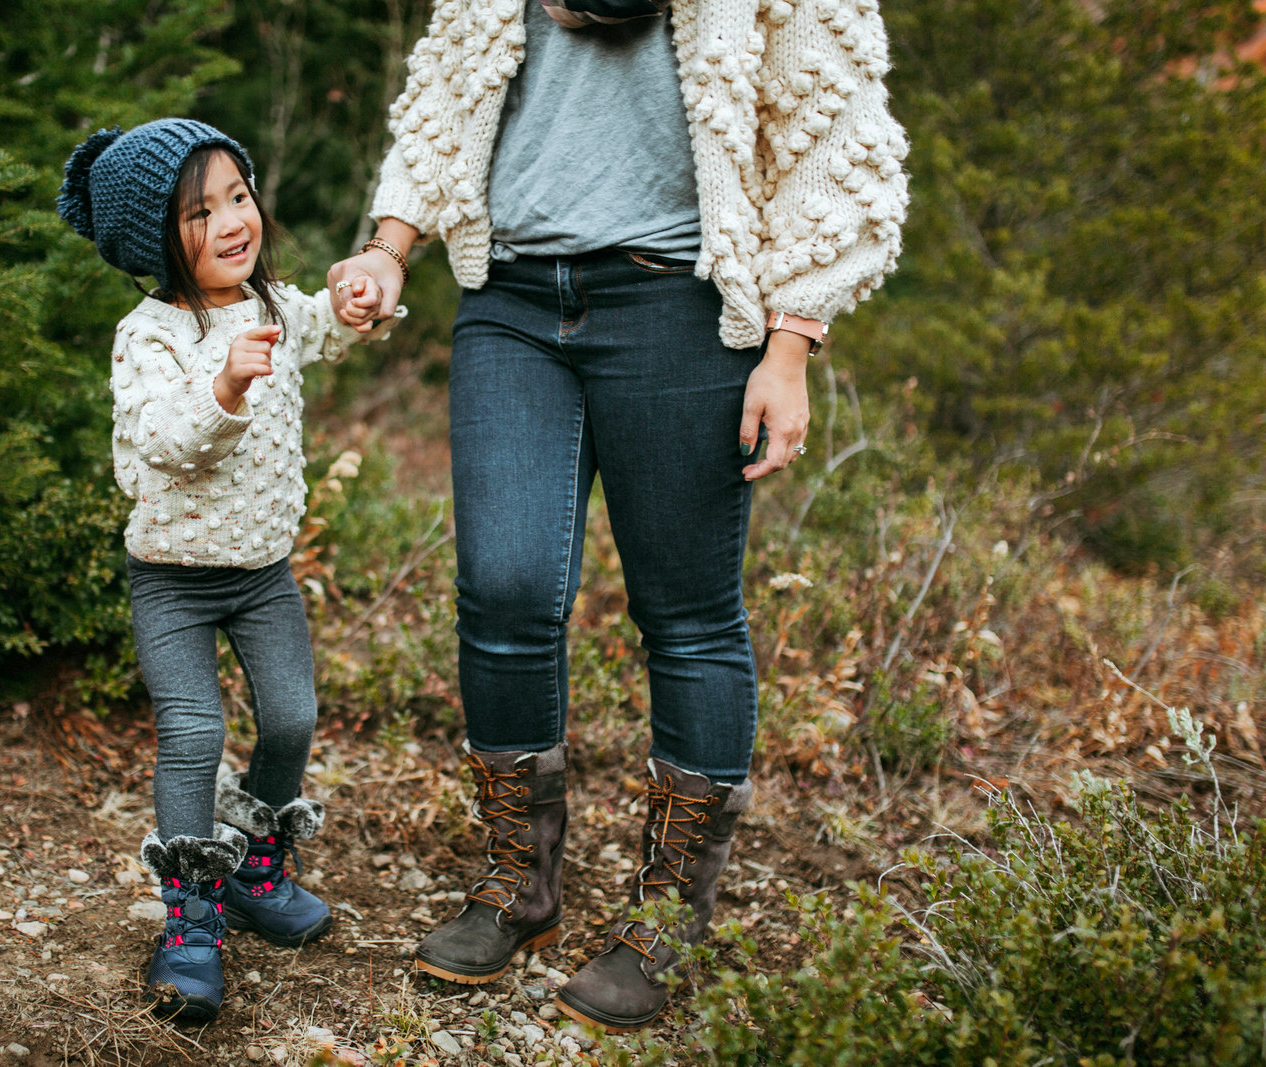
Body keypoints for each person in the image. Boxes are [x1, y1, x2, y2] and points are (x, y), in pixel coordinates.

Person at [327, 0, 908, 1032]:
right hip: (508, 302)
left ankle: (667, 918)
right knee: (503, 588)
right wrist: (389, 246)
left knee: (685, 610)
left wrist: (790, 345)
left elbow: (837, 137)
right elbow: (447, 91)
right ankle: (521, 882)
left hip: (677, 303)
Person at [56, 118, 400, 1022]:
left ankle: (254, 868)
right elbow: (152, 450)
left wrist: (360, 299)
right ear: (155, 240)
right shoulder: (148, 335)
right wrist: (225, 387)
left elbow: (326, 326)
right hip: (171, 577)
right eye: (200, 212)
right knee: (194, 730)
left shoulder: (274, 305)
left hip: (261, 572)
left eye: (237, 196)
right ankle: (190, 921)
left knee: (291, 716)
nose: (232, 221)